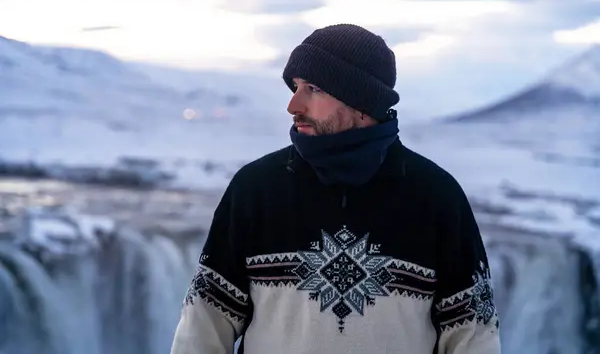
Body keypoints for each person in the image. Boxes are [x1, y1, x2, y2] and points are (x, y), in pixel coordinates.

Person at [170, 24, 501, 353]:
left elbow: (474, 338)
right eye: (294, 87)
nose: (293, 105)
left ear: (362, 102)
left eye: (313, 88)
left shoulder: (437, 198)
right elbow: (202, 330)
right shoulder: (256, 190)